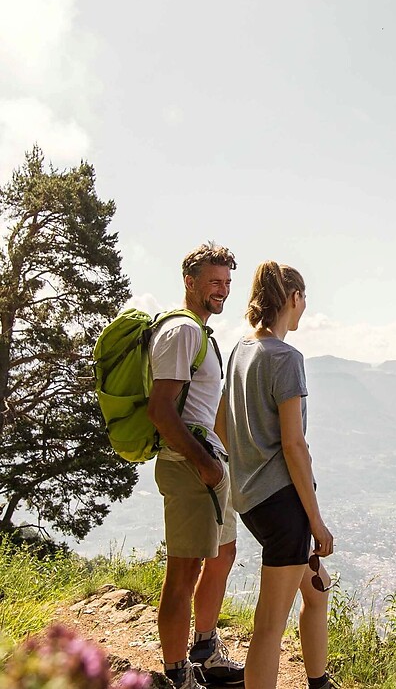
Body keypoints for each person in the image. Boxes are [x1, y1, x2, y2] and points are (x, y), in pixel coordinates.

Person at [215, 261, 338, 689]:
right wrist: (316, 522)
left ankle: (319, 681)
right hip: (284, 506)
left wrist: (245, 474)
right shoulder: (287, 359)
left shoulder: (240, 352)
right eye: (304, 300)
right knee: (269, 626)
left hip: (252, 501)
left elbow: (220, 428)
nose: (304, 308)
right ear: (294, 299)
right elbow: (294, 446)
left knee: (317, 590)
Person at [147, 242, 245, 689]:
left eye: (226, 282)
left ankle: (205, 648)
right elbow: (162, 411)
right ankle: (175, 673)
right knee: (182, 575)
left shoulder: (201, 332)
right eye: (214, 282)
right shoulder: (182, 332)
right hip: (188, 468)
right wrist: (205, 465)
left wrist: (222, 463)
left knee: (224, 553)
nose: (222, 290)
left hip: (207, 467)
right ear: (190, 281)